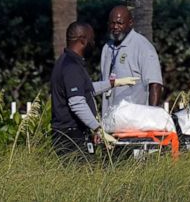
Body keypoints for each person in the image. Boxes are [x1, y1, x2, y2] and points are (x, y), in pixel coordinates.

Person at [50, 21, 132, 158]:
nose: (93, 43)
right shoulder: (71, 68)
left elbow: (86, 90)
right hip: (71, 137)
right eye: (92, 39)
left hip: (72, 134)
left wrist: (113, 83)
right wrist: (98, 129)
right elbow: (77, 103)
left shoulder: (67, 62)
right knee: (83, 176)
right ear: (82, 40)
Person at [100, 5, 164, 115]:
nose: (115, 27)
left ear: (130, 23)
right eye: (112, 23)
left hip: (134, 121)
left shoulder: (142, 46)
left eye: (120, 23)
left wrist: (152, 117)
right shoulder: (107, 48)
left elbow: (155, 84)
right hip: (110, 120)